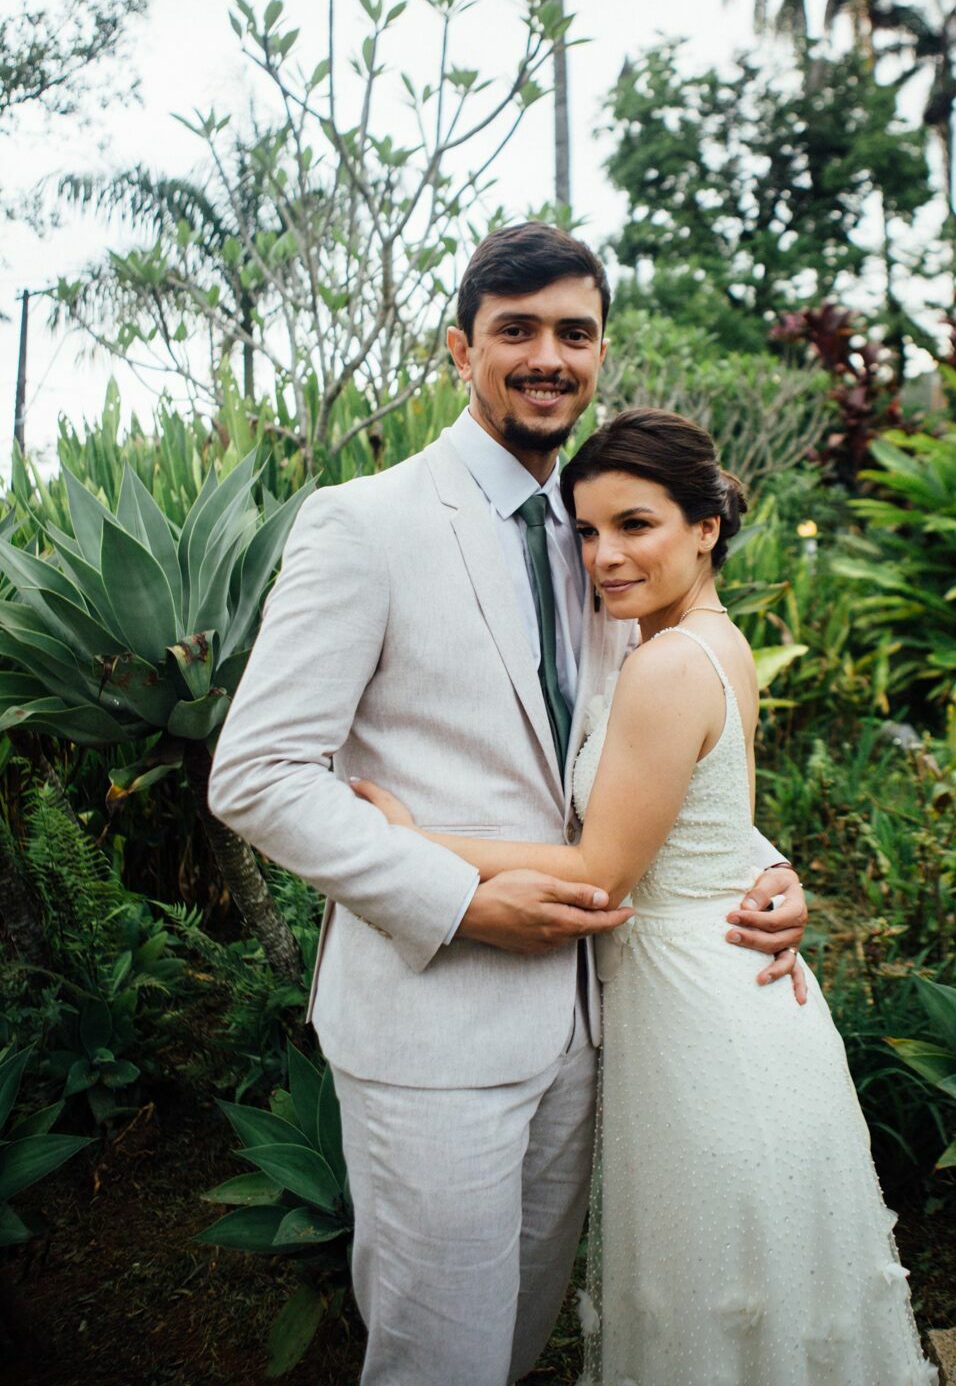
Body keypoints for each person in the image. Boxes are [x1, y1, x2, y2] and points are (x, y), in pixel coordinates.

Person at [208, 224, 809, 1386]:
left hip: (592, 1023)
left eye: (573, 333)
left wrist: (762, 866)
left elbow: (646, 755)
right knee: (440, 1357)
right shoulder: (365, 522)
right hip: (431, 1023)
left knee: (521, 1341)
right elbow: (258, 771)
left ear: (599, 353)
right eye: (515, 330)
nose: (547, 356)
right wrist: (454, 898)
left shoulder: (601, 537)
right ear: (460, 350)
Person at [357, 407, 936, 1386]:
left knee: (706, 1299)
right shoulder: (712, 640)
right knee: (753, 1300)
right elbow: (712, 814)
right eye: (586, 531)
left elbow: (599, 873)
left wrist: (409, 840)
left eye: (635, 525)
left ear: (705, 526)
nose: (604, 556)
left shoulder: (666, 663)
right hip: (729, 987)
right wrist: (776, 867)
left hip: (697, 1013)